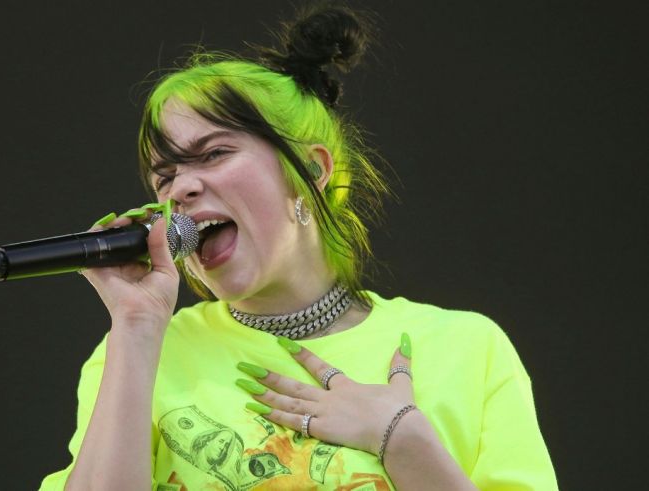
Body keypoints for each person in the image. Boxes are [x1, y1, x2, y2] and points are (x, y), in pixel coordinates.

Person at [40, 5, 557, 490]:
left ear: (311, 171)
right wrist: (134, 327)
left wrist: (402, 438)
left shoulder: (468, 348)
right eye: (165, 176)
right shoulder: (139, 354)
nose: (181, 189)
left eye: (214, 153)